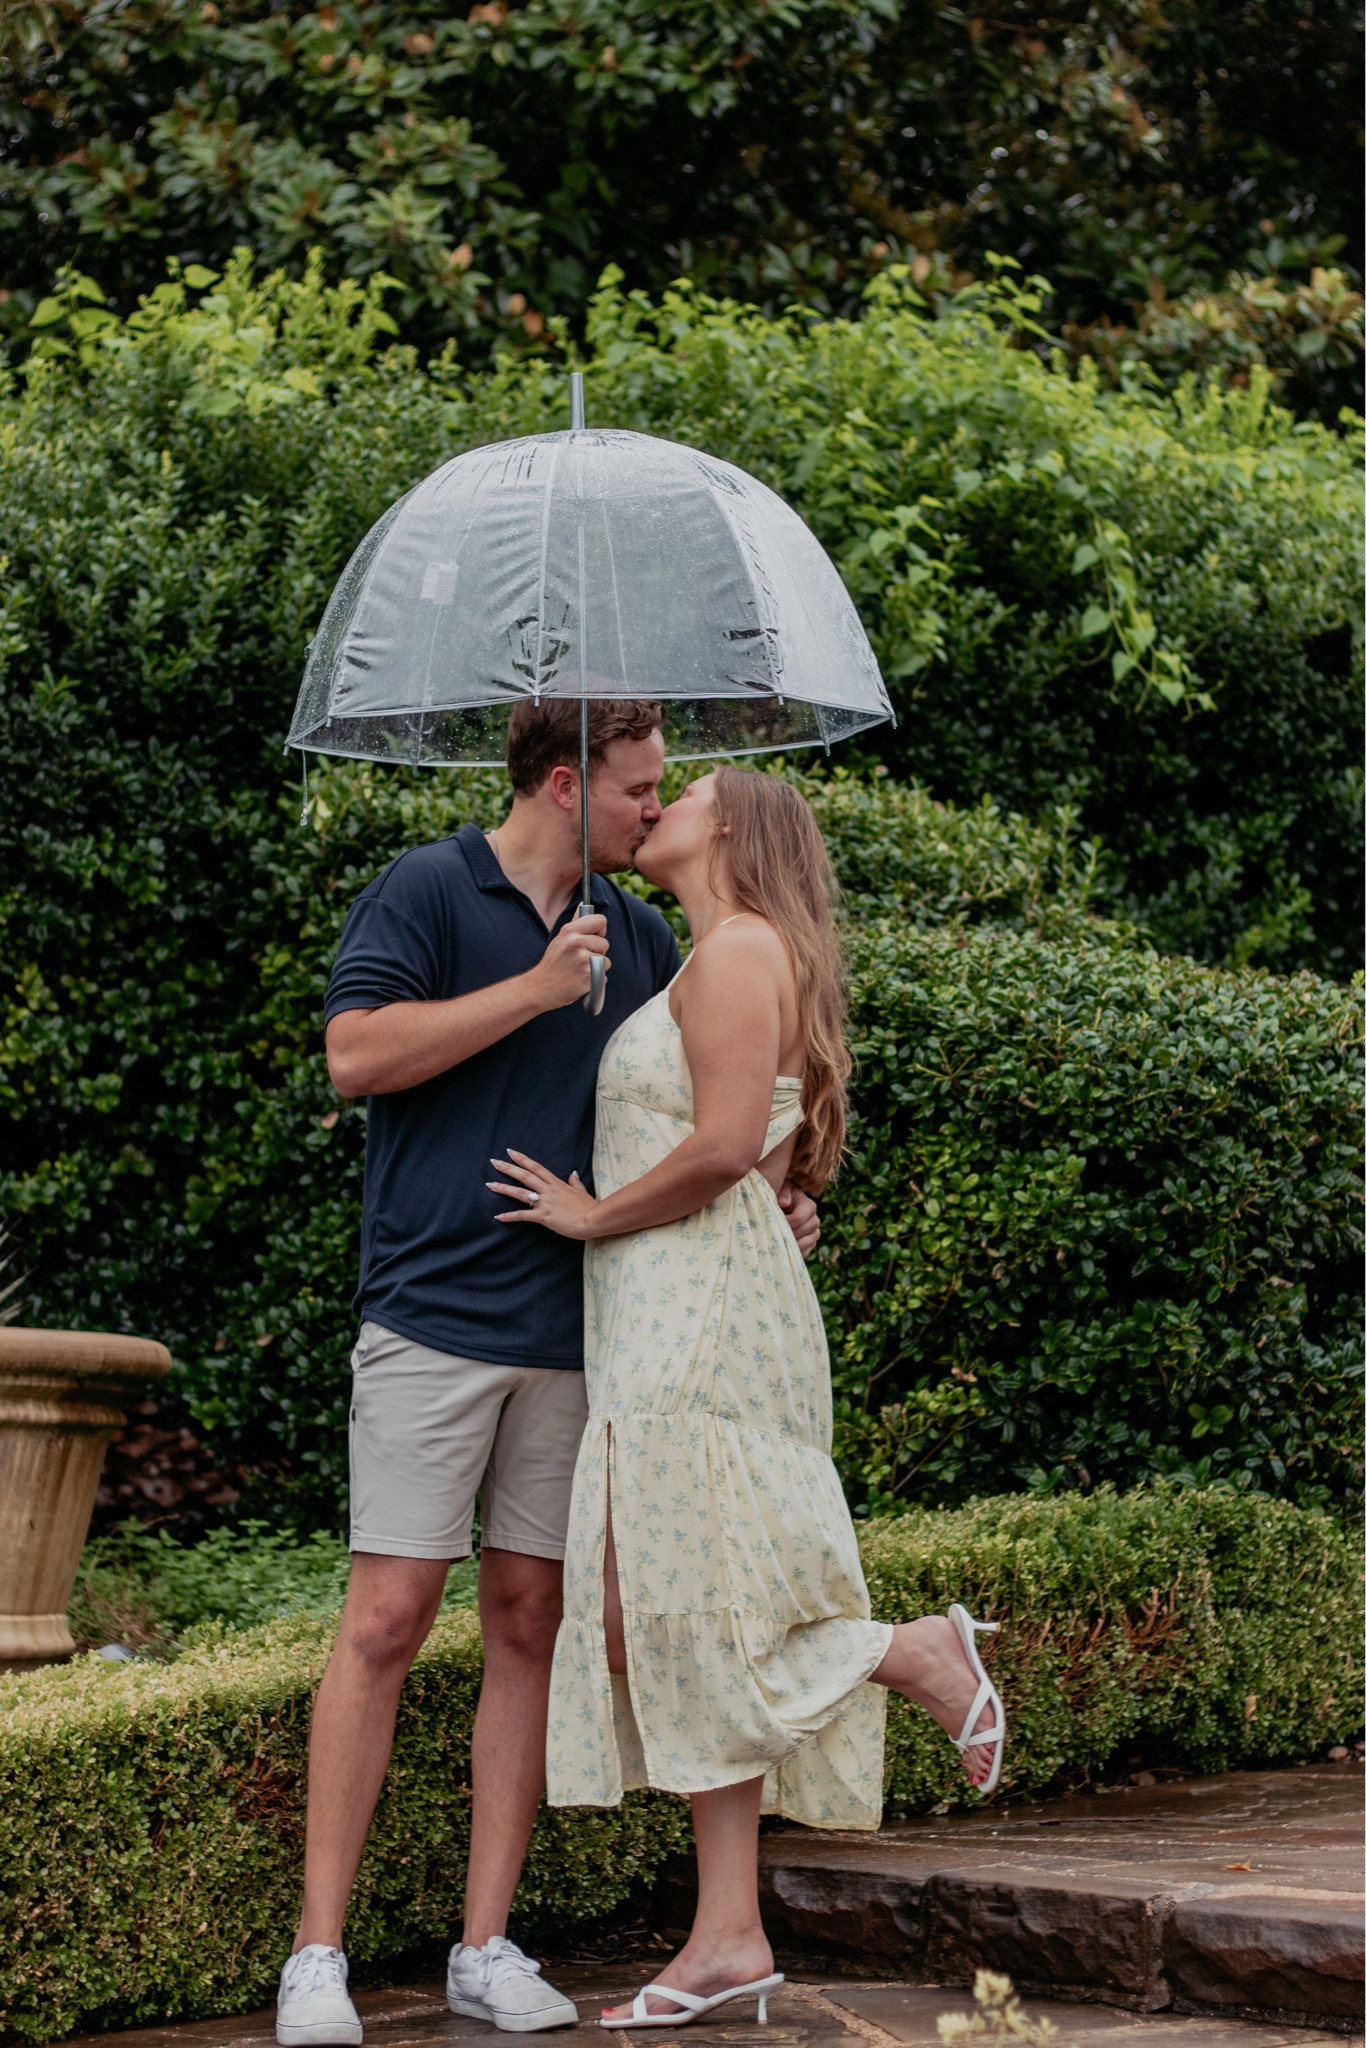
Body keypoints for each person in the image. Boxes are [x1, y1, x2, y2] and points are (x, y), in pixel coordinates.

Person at [275, 704, 821, 2048]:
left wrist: (769, 1198)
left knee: (529, 1621)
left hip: (580, 1334)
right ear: (566, 782)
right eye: (635, 791)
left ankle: (482, 1946)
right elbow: (353, 1060)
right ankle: (316, 1958)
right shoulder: (425, 888)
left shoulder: (641, 936)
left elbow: (696, 1107)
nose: (651, 814)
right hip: (428, 1318)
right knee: (388, 1615)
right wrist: (528, 988)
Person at [487, 765, 1006, 2029]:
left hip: (689, 1311)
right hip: (676, 1298)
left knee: (654, 1601)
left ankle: (905, 1651)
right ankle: (727, 1930)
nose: (656, 800)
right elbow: (764, 1159)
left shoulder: (735, 956)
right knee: (673, 1596)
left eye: (685, 791)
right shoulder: (724, 955)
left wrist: (588, 1211)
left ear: (732, 827)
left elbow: (720, 1145)